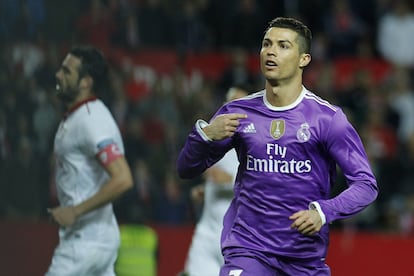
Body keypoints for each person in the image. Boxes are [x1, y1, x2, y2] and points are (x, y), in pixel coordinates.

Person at [177, 17, 378, 275]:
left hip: (303, 259)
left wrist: (323, 212)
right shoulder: (238, 112)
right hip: (248, 251)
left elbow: (366, 185)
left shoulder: (327, 119)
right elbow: (186, 168)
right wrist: (205, 135)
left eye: (283, 46)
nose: (271, 51)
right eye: (266, 44)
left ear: (304, 59)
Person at [46, 46, 133, 276]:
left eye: (66, 72)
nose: (58, 75)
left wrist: (75, 211)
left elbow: (123, 179)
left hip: (84, 242)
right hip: (99, 238)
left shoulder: (92, 121)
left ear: (85, 82)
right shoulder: (79, 116)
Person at [183, 86, 248, 276]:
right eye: (229, 103)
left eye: (239, 105)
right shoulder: (216, 140)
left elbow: (269, 186)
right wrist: (207, 190)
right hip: (207, 235)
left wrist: (229, 181)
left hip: (238, 241)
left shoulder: (256, 146)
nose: (233, 109)